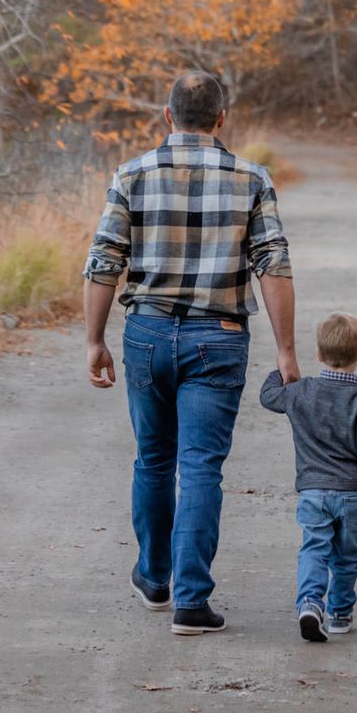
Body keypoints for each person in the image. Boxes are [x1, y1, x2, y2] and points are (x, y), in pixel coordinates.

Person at [81, 70, 299, 637]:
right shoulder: (252, 178)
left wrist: (94, 339)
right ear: (221, 118)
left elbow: (105, 260)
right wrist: (286, 349)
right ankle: (191, 601)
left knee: (153, 458)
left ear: (168, 116)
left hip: (147, 333)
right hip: (219, 335)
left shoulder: (132, 173)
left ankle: (154, 578)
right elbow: (272, 264)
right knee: (201, 465)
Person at [259, 312, 357, 643]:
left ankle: (309, 603)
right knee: (345, 556)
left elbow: (267, 396)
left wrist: (281, 370)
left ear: (318, 354)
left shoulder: (300, 392)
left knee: (314, 550)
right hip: (353, 495)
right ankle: (340, 614)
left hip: (313, 493)